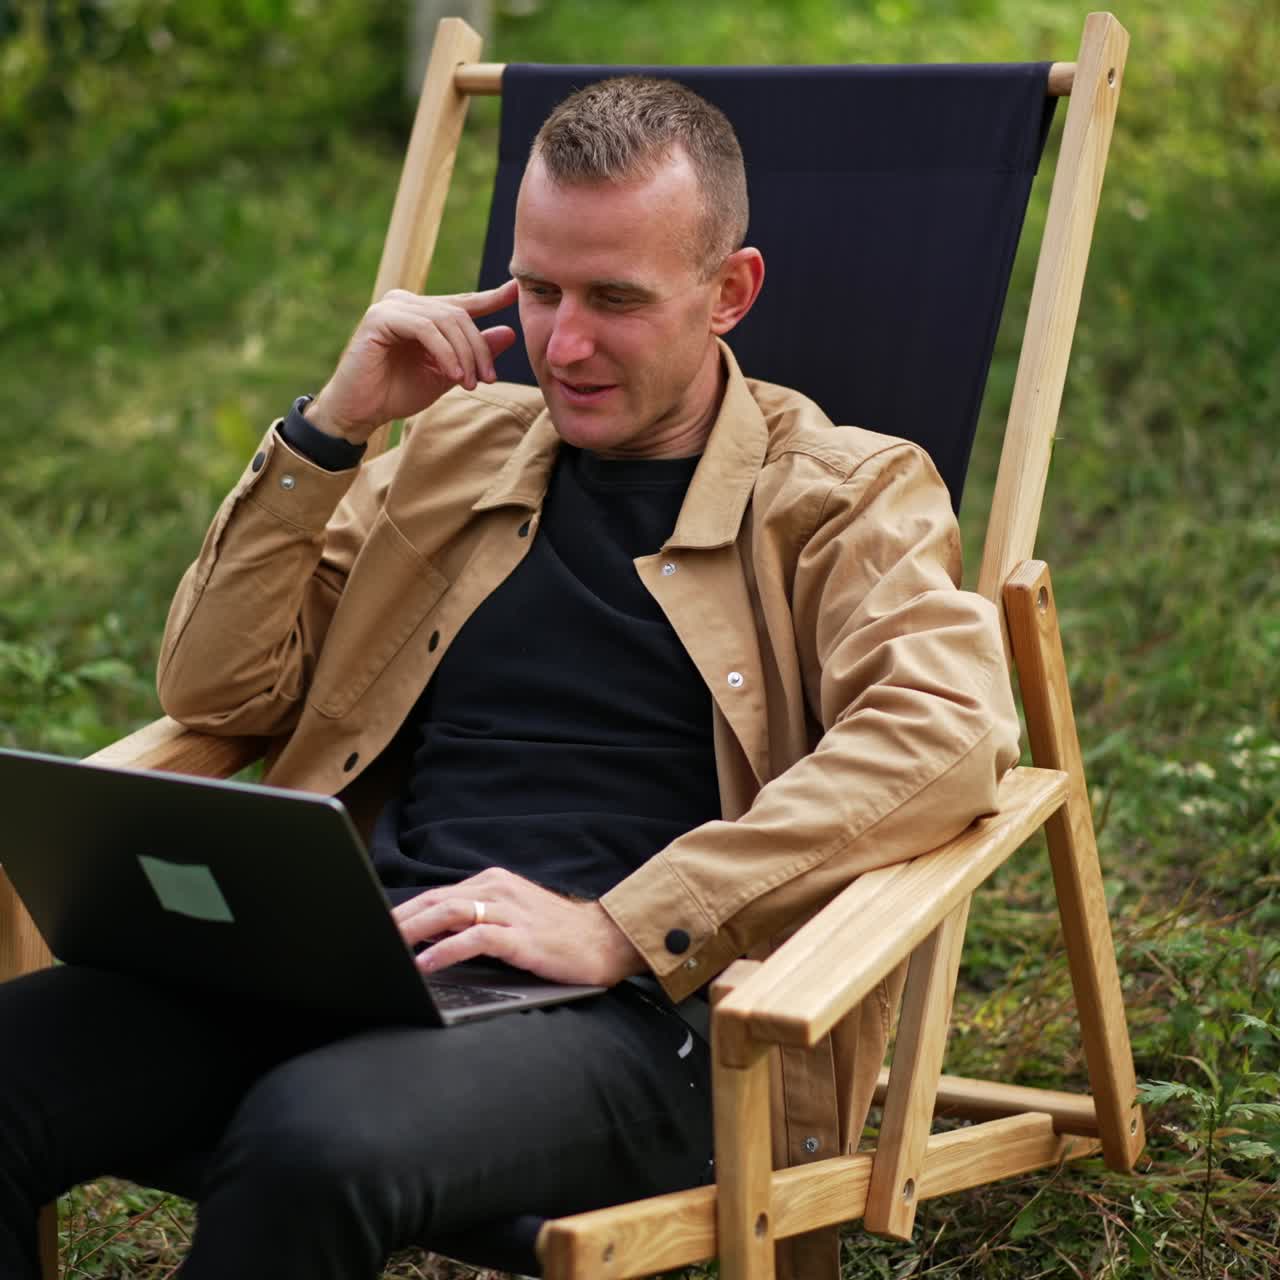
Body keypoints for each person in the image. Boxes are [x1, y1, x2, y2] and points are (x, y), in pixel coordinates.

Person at [0, 77, 1020, 1279]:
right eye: (537, 289)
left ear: (729, 292)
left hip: (651, 1021)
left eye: (616, 299)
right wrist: (332, 430)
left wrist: (623, 924)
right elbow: (219, 693)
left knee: (309, 1138)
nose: (563, 341)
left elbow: (946, 730)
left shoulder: (843, 495)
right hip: (368, 962)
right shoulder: (449, 448)